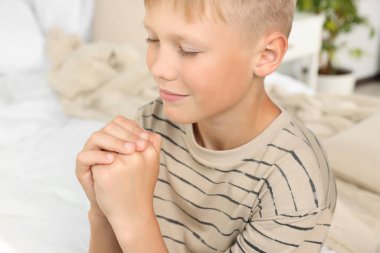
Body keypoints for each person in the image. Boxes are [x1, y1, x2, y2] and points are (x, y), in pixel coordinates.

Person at [76, 0, 337, 252]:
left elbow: (135, 228)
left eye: (189, 49)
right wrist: (103, 210)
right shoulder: (151, 123)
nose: (158, 68)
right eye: (153, 39)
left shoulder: (294, 187)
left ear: (266, 55)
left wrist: (135, 220)